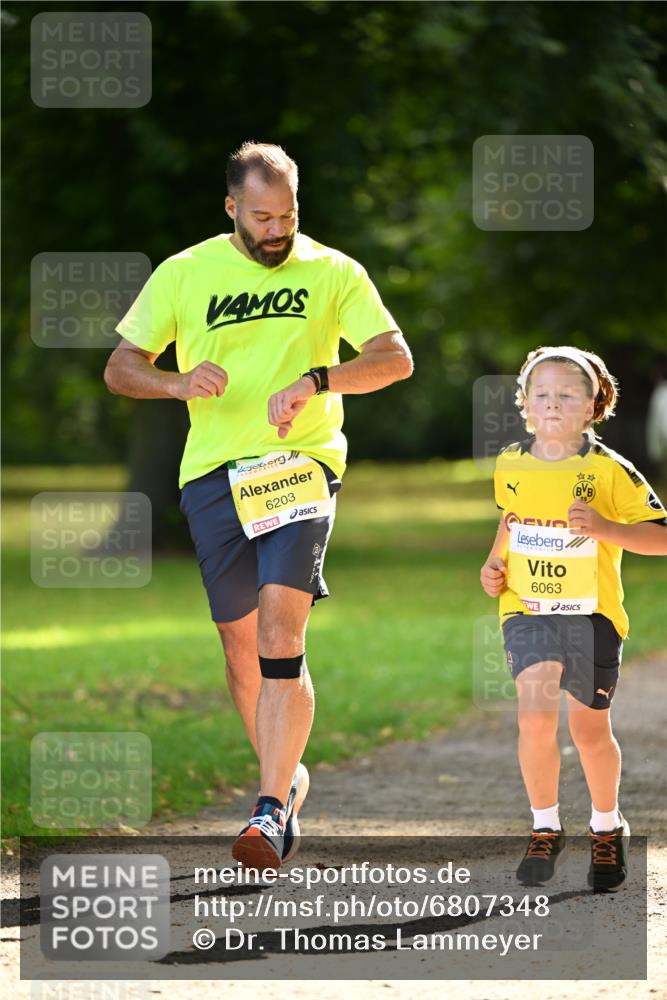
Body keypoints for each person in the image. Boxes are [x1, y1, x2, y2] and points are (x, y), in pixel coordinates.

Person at [104, 141, 413, 869]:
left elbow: (393, 359)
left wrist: (318, 379)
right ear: (231, 208)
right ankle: (287, 775)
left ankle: (268, 809)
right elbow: (121, 367)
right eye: (262, 216)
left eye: (288, 215)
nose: (276, 230)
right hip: (211, 473)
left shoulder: (334, 270)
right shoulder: (184, 272)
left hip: (298, 463)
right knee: (240, 646)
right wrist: (176, 383)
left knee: (281, 623)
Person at [480, 346, 667, 891]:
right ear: (525, 406)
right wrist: (494, 567)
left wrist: (606, 527)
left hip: (592, 614)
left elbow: (659, 536)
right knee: (535, 714)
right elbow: (508, 529)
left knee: (588, 729)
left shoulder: (610, 470)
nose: (553, 403)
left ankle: (607, 827)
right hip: (527, 607)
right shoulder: (510, 463)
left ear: (592, 407)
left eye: (567, 394)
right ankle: (544, 826)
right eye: (542, 394)